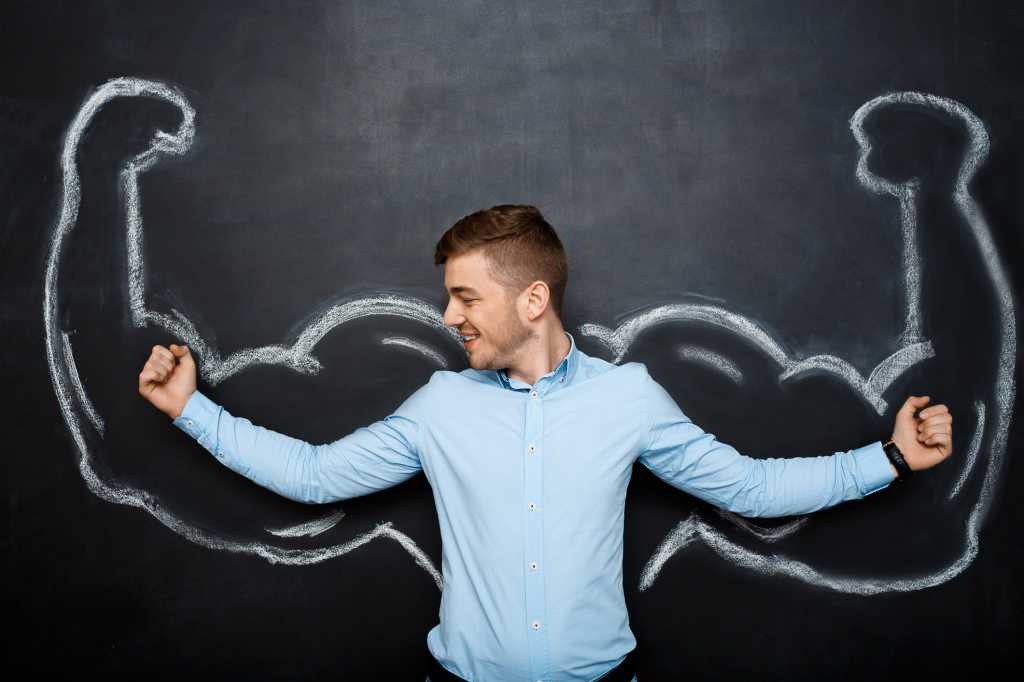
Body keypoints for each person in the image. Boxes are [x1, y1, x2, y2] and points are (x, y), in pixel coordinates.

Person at [137, 204, 954, 682]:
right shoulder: (440, 406)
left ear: (533, 299)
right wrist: (190, 410)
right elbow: (314, 476)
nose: (448, 317)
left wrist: (886, 459)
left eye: (463, 296)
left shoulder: (627, 399)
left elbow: (748, 488)